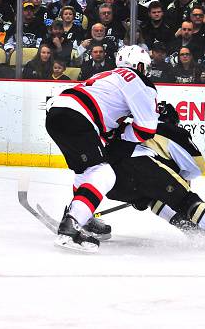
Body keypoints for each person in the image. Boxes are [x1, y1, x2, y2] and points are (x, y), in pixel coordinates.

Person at [45, 45, 159, 252]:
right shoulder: (139, 80)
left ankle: (83, 216)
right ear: (139, 65)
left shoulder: (108, 74)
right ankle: (72, 225)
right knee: (103, 172)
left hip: (57, 111)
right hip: (80, 117)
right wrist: (122, 136)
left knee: (85, 171)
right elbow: (146, 129)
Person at [103, 103, 205, 251]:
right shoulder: (170, 130)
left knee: (154, 197)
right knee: (185, 199)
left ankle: (192, 231)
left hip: (110, 180)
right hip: (140, 165)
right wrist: (179, 177)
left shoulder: (128, 126)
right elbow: (198, 167)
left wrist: (137, 199)